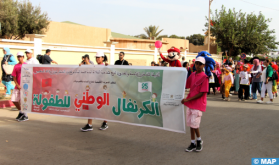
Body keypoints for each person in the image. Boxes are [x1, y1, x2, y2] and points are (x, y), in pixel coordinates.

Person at [181, 56, 208, 152]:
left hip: (198, 104)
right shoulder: (192, 75)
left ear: (204, 65)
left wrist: (188, 100)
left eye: (200, 64)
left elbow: (201, 93)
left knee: (195, 125)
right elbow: (185, 85)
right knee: (191, 124)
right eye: (197, 63)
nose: (198, 65)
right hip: (190, 104)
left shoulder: (205, 77)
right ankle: (192, 143)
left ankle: (199, 141)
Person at [80, 51, 109, 131]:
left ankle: (105, 123)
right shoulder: (95, 66)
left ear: (103, 58)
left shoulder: (105, 66)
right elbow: (90, 68)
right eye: (96, 57)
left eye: (99, 57)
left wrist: (108, 67)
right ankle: (89, 125)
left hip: (102, 90)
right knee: (91, 106)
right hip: (94, 90)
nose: (97, 59)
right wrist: (82, 66)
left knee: (103, 107)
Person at [12, 52, 28, 121]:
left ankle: (26, 116)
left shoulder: (27, 65)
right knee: (14, 100)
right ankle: (21, 112)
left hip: (25, 87)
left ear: (23, 57)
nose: (19, 58)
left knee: (24, 101)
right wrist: (17, 84)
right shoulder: (16, 66)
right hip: (17, 87)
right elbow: (14, 76)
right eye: (18, 57)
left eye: (21, 57)